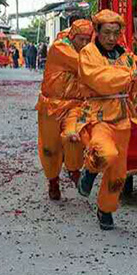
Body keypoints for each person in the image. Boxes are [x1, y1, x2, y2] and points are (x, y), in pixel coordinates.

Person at [76, 10, 137, 230]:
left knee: (118, 172)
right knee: (104, 152)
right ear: (97, 32)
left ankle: (106, 209)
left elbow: (133, 86)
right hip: (98, 114)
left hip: (121, 115)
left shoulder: (126, 55)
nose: (111, 38)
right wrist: (130, 75)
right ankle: (89, 170)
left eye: (115, 33)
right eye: (106, 33)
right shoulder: (88, 53)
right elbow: (100, 79)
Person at [35, 19, 94, 200]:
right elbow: (89, 67)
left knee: (74, 136)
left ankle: (74, 170)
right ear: (72, 36)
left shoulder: (88, 50)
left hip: (76, 105)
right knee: (49, 148)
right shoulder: (60, 48)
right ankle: (53, 181)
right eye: (81, 39)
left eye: (87, 40)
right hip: (51, 105)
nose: (84, 44)